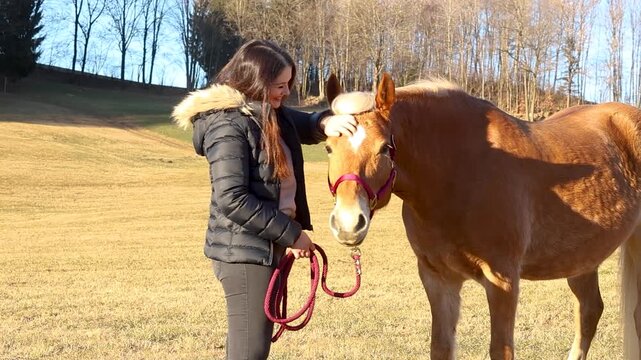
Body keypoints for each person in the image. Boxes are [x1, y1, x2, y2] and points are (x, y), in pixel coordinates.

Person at [172, 39, 357, 359]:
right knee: (250, 351)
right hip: (244, 253)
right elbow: (232, 199)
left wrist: (325, 122)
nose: (286, 93)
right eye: (279, 85)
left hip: (262, 245)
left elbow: (302, 122)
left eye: (288, 85)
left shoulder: (269, 113)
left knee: (247, 347)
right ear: (255, 83)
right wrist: (292, 233)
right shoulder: (227, 123)